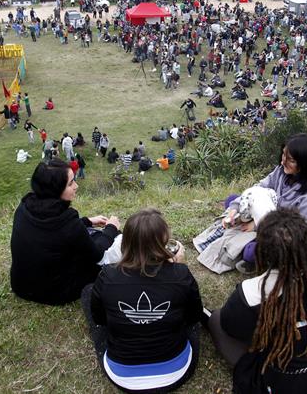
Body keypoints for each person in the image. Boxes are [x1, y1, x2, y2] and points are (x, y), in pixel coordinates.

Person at [206, 209, 307, 394]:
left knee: (216, 319)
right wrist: (297, 234)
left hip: (292, 384)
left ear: (261, 252)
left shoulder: (252, 293)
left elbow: (231, 328)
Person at [82, 209, 203, 393]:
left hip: (122, 374)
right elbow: (194, 317)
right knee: (193, 321)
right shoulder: (181, 274)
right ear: (164, 242)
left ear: (126, 241)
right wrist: (178, 268)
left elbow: (99, 319)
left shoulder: (107, 276)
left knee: (88, 292)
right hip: (176, 371)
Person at [10, 159, 120, 305]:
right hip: (54, 292)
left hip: (21, 285)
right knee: (107, 255)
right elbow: (98, 254)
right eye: (70, 183)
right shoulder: (68, 223)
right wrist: (111, 228)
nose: (76, 186)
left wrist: (86, 221)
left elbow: (55, 234)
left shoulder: (24, 207)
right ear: (55, 189)